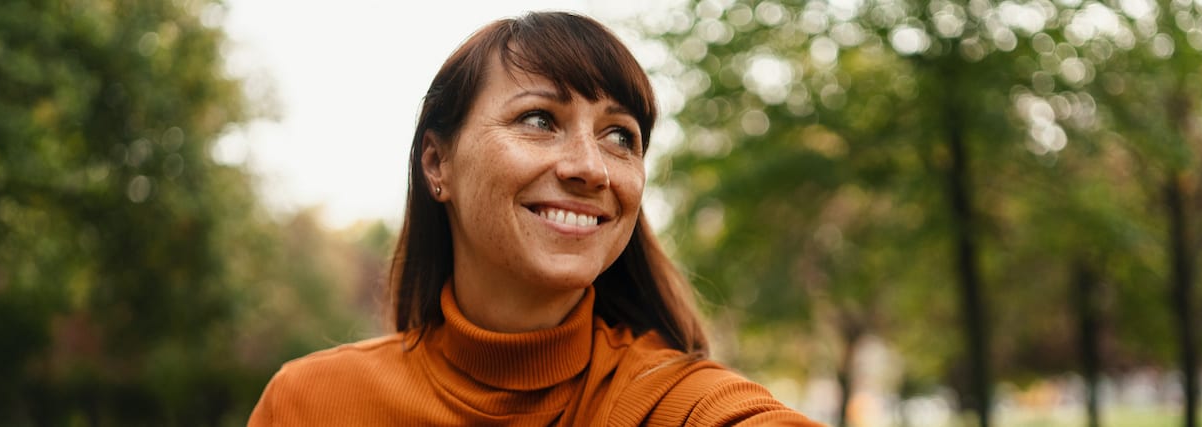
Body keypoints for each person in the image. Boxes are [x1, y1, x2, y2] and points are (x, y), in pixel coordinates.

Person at [248, 11, 820, 426]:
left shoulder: (677, 402)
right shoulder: (309, 402)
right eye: (540, 120)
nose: (591, 168)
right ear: (436, 162)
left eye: (620, 135)